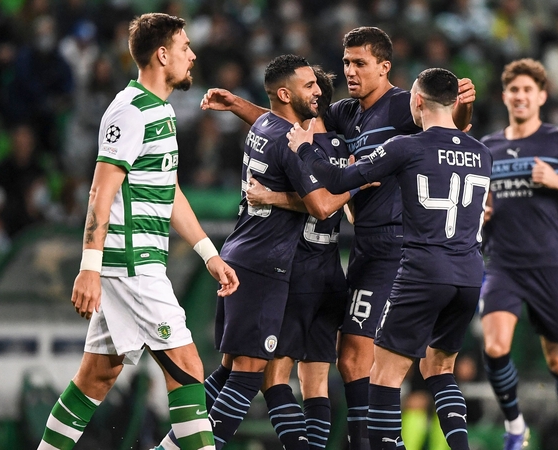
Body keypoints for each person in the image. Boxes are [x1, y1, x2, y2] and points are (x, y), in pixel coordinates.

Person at [200, 27, 475, 449]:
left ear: (385, 67)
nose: (349, 70)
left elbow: (447, 133)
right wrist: (238, 104)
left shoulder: (405, 107)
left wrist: (462, 110)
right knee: (344, 364)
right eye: (346, 62)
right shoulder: (347, 113)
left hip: (395, 249)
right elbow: (291, 123)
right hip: (362, 247)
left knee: (353, 363)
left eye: (359, 63)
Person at [36, 13, 239, 450]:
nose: (192, 55)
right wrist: (89, 267)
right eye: (185, 48)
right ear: (162, 55)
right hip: (131, 264)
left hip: (140, 261)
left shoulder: (160, 110)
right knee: (187, 365)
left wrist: (209, 254)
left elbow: (170, 192)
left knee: (98, 374)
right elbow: (99, 192)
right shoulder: (128, 112)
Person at [288, 67, 492, 450]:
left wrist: (303, 146)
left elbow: (335, 182)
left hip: (422, 270)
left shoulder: (407, 145)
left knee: (383, 375)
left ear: (416, 101)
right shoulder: (482, 153)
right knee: (438, 368)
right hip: (469, 275)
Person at [204, 54, 355, 450]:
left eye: (316, 87)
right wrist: (361, 177)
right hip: (313, 268)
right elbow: (326, 204)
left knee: (255, 374)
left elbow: (269, 121)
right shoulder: (332, 145)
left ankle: (182, 441)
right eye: (311, 87)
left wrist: (271, 194)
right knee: (302, 378)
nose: (317, 93)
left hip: (281, 265)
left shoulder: (278, 132)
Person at [477, 58, 558, 450]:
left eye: (527, 90)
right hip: (501, 263)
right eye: (514, 90)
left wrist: (557, 180)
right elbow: (473, 201)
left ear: (542, 96)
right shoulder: (487, 147)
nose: (520, 96)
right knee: (495, 346)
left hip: (547, 265)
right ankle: (515, 425)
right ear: (504, 96)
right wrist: (479, 212)